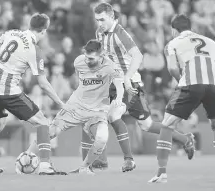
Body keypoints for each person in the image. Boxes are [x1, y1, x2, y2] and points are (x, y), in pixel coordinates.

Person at [81, 2, 195, 172]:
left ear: (111, 17)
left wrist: (126, 78)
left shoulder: (120, 34)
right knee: (104, 116)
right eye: (97, 20)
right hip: (113, 84)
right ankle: (114, 161)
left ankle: (184, 139)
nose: (99, 23)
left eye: (102, 20)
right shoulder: (100, 33)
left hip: (131, 84)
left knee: (146, 125)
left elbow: (138, 56)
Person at [0, 13, 66, 175]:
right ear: (43, 32)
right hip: (8, 91)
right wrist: (61, 103)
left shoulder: (13, 33)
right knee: (43, 122)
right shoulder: (34, 50)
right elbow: (43, 84)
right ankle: (45, 166)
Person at [149, 14, 215, 183]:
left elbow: (172, 67)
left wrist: (180, 79)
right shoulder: (209, 41)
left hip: (191, 84)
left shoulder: (172, 43)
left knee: (166, 125)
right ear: (190, 27)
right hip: (214, 86)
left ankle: (161, 174)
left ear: (173, 30)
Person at [27, 39, 126, 175]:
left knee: (102, 138)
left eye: (91, 58)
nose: (87, 61)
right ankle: (26, 156)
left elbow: (120, 85)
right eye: (86, 57)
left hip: (97, 111)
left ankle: (84, 167)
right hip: (75, 106)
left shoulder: (110, 67)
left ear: (101, 55)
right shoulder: (78, 62)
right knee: (51, 131)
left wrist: (119, 98)